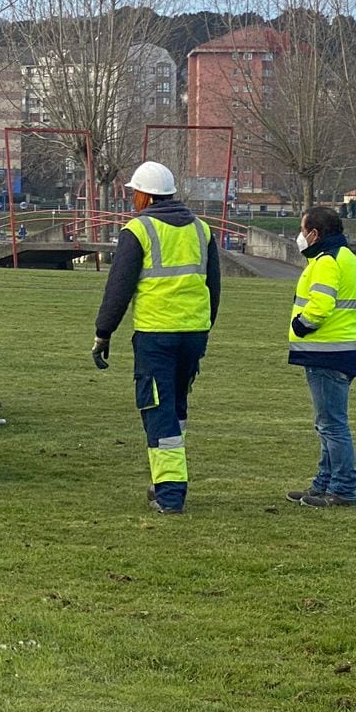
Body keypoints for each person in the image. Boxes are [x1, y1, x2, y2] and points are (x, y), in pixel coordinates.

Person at [92, 161, 221, 515]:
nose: (132, 199)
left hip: (156, 336)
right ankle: (164, 479)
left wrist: (103, 333)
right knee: (176, 406)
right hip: (194, 334)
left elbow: (118, 288)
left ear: (146, 196)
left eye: (134, 192)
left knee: (157, 409)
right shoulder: (201, 230)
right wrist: (204, 328)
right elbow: (214, 288)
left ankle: (169, 492)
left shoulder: (139, 230)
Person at [286, 205, 356, 508]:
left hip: (325, 351)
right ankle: (323, 484)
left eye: (303, 230)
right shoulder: (348, 259)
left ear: (315, 233)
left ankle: (343, 488)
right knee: (328, 423)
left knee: (332, 425)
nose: (301, 236)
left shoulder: (326, 261)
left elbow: (320, 304)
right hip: (343, 348)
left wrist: (300, 325)